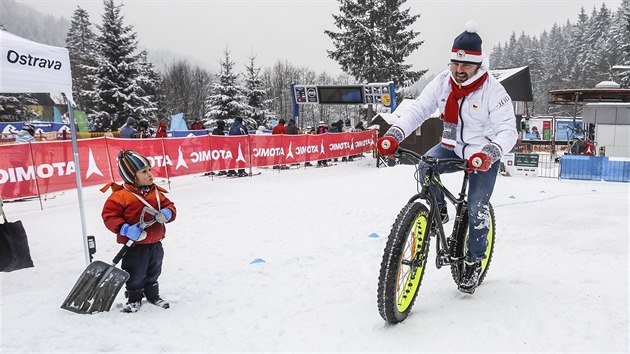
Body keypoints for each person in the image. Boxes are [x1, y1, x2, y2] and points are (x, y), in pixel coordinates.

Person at [376, 21, 517, 293]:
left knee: (476, 207)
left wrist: (490, 152)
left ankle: (474, 261)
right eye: (455, 63)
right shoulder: (443, 82)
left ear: (478, 65)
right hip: (451, 146)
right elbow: (418, 110)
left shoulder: (493, 91)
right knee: (424, 164)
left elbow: (508, 131)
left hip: (482, 153)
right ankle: (438, 210)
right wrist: (394, 134)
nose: (459, 70)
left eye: (465, 66)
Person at [101, 150, 177, 313]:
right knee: (135, 272)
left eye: (149, 169)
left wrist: (168, 213)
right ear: (131, 176)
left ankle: (152, 294)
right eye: (144, 171)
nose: (150, 174)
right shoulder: (120, 196)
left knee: (154, 269)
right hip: (135, 246)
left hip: (155, 242)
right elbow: (109, 217)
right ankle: (134, 298)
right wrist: (125, 229)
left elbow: (169, 205)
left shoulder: (155, 192)